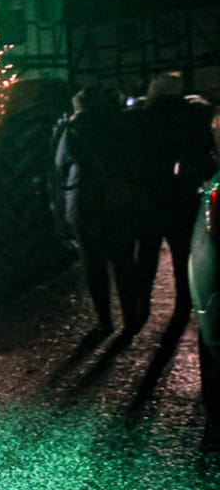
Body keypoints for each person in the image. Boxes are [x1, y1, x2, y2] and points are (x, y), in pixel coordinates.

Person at [55, 85, 147, 335]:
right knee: (124, 261)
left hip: (86, 201)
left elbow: (61, 162)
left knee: (94, 265)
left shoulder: (75, 127)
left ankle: (105, 322)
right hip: (120, 200)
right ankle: (131, 318)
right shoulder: (124, 124)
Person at [132, 73, 217, 318]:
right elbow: (206, 155)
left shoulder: (142, 118)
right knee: (182, 255)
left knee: (147, 255)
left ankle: (141, 306)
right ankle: (184, 305)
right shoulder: (193, 115)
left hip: (150, 195)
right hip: (183, 195)